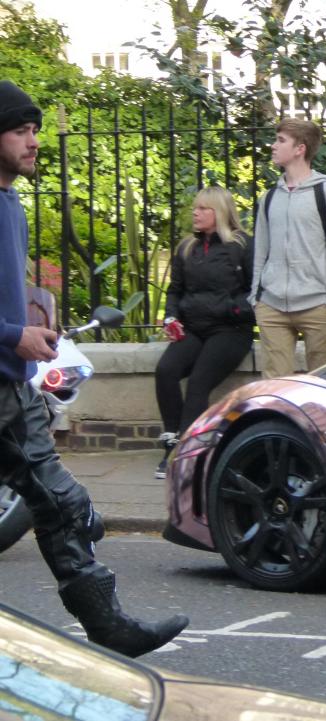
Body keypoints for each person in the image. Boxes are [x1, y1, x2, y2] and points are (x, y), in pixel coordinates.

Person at [0, 80, 188, 657]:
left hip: (10, 386)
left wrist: (32, 328)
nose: (33, 142)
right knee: (60, 503)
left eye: (35, 130)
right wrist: (13, 335)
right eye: (20, 131)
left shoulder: (12, 204)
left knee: (64, 504)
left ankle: (107, 627)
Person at [154, 185, 254, 478]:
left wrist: (233, 310)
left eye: (202, 209)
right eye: (195, 208)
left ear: (219, 212)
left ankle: (186, 454)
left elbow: (255, 290)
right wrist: (171, 317)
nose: (195, 213)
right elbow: (175, 290)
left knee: (198, 383)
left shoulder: (241, 245)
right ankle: (172, 438)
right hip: (195, 328)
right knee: (166, 370)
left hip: (230, 329)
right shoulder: (187, 248)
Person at [250, 118, 326, 378]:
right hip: (271, 305)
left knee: (320, 385)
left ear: (300, 149)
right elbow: (260, 252)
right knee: (276, 388)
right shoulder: (270, 196)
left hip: (318, 304)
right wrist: (257, 297)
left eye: (281, 140)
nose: (273, 146)